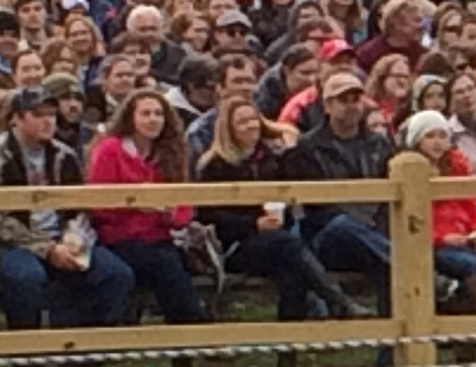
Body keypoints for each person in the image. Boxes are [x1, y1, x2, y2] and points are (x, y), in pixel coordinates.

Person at [0, 86, 136, 367]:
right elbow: (3, 221)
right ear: (16, 119)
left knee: (116, 274)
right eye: (38, 114)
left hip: (62, 238)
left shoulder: (65, 156)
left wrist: (75, 237)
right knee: (25, 279)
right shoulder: (3, 157)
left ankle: (82, 361)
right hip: (13, 243)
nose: (48, 121)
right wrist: (46, 249)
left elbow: (80, 206)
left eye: (51, 114)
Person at [198, 98, 361, 336]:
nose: (251, 125)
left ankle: (288, 353)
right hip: (236, 245)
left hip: (278, 241)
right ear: (228, 128)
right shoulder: (215, 165)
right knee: (288, 245)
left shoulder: (271, 158)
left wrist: (293, 151)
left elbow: (298, 187)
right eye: (242, 122)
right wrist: (253, 224)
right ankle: (336, 298)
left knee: (291, 271)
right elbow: (207, 214)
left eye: (253, 119)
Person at [84, 88, 209, 336]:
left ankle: (187, 342)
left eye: (158, 114)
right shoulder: (110, 149)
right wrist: (134, 203)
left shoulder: (171, 151)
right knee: (166, 267)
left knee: (169, 266)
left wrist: (168, 212)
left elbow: (183, 208)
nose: (153, 119)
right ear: (131, 117)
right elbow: (96, 204)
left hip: (161, 237)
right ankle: (195, 332)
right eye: (146, 114)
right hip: (118, 238)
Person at [285, 70, 396, 310]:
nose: (351, 106)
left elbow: (392, 199)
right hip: (328, 238)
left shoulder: (380, 144)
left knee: (386, 265)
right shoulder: (307, 148)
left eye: (355, 99)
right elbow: (316, 209)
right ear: (327, 105)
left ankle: (392, 346)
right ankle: (424, 273)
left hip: (373, 234)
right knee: (341, 224)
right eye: (342, 100)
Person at [399, 110, 476, 337]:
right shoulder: (410, 169)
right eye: (430, 136)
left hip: (464, 239)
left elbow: (472, 202)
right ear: (417, 140)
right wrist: (440, 238)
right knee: (469, 267)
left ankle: (469, 342)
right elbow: (410, 217)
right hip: (429, 244)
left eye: (442, 135)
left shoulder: (457, 165)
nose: (437, 142)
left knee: (467, 272)